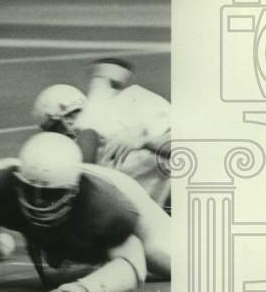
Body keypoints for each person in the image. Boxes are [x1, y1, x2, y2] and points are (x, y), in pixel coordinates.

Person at [0, 132, 171, 292]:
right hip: (76, 213)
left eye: (50, 195)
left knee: (172, 263)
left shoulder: (105, 207)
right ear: (17, 182)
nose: (39, 203)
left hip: (129, 200)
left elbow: (133, 266)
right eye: (31, 191)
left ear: (74, 191)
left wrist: (84, 288)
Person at [31, 58, 171, 208]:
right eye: (57, 129)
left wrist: (145, 140)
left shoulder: (134, 103)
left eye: (73, 115)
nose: (69, 128)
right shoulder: (76, 157)